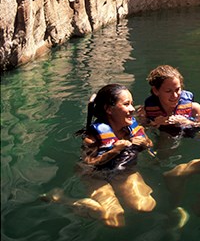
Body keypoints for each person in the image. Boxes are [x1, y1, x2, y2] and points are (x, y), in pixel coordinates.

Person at [44, 84, 156, 227]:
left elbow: (150, 144)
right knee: (114, 220)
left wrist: (146, 143)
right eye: (126, 104)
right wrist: (114, 151)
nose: (132, 109)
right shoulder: (92, 137)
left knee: (146, 206)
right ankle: (62, 199)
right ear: (109, 109)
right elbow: (88, 163)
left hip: (123, 171)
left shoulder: (132, 128)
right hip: (96, 175)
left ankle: (112, 197)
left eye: (131, 104)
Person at [138, 65, 200, 137]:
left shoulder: (194, 109)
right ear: (155, 91)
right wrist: (154, 123)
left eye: (177, 90)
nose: (175, 96)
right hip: (166, 135)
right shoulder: (145, 111)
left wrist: (188, 122)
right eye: (168, 91)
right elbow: (140, 132)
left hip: (191, 134)